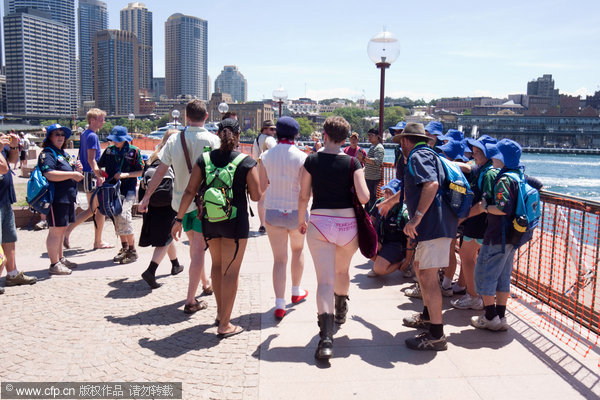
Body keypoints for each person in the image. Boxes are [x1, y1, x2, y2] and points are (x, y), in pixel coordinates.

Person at [172, 118, 261, 338]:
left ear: (218, 134)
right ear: (238, 136)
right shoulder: (246, 161)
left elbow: (189, 191)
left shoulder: (204, 160)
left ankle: (221, 314)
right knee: (231, 270)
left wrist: (178, 219)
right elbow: (257, 196)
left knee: (217, 264)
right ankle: (224, 324)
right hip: (235, 222)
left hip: (210, 220)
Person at [379, 122, 458, 351]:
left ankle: (436, 335)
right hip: (437, 225)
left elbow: (431, 185)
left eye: (399, 141)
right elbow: (411, 189)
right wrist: (391, 202)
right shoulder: (429, 154)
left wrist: (416, 218)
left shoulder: (417, 156)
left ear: (405, 141)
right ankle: (427, 316)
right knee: (421, 268)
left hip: (433, 225)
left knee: (427, 277)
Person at [138, 99, 220, 314]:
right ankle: (191, 300)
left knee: (196, 248)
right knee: (199, 251)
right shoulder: (213, 140)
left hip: (181, 204)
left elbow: (160, 170)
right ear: (206, 117)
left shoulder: (174, 139)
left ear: (186, 117)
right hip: (204, 204)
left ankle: (205, 283)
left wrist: (146, 197)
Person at [298, 116, 369, 360]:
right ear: (344, 138)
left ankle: (326, 339)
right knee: (342, 272)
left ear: (325, 135)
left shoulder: (312, 160)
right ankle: (341, 309)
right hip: (348, 225)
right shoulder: (352, 163)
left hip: (320, 223)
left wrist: (301, 219)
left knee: (324, 281)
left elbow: (303, 195)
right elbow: (364, 197)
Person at [470, 139, 526, 331]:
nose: (492, 157)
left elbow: (502, 208)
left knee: (484, 274)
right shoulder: (518, 175)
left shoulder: (503, 179)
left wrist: (486, 207)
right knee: (503, 276)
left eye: (496, 155)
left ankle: (490, 316)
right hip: (513, 236)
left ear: (502, 158)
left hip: (497, 235)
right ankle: (501, 317)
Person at [258, 116, 309, 319]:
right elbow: (307, 192)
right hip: (296, 212)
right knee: (297, 250)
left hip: (273, 211)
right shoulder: (303, 157)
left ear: (276, 133)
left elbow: (262, 187)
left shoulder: (266, 156)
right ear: (296, 134)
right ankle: (296, 292)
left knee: (279, 259)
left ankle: (279, 303)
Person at [450, 135, 498, 310]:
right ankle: (477, 294)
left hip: (479, 222)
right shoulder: (486, 169)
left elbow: (483, 204)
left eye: (478, 152)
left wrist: (463, 218)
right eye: (474, 151)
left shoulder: (488, 173)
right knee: (472, 258)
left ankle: (473, 296)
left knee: (466, 256)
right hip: (482, 223)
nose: (473, 155)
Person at [138, 129, 184, 289]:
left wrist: (144, 200)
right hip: (169, 202)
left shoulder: (153, 157)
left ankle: (175, 264)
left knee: (167, 234)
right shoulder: (174, 157)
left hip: (152, 202)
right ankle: (151, 270)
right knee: (166, 237)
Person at [38, 124, 84, 275]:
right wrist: (72, 175)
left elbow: (68, 171)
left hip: (67, 197)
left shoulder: (62, 153)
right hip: (56, 198)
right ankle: (54, 264)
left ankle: (60, 258)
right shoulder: (48, 153)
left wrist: (77, 170)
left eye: (62, 134)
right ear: (49, 137)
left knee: (62, 229)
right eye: (56, 134)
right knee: (55, 231)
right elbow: (49, 174)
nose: (60, 137)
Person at [64, 108, 112, 250]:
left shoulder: (85, 134)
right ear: (92, 120)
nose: (103, 122)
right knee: (96, 209)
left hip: (86, 175)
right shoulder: (92, 136)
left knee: (96, 209)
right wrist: (99, 175)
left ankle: (97, 240)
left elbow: (82, 156)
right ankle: (68, 231)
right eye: (101, 119)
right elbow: (92, 160)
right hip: (91, 176)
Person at [97, 126, 144, 264]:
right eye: (113, 140)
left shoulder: (134, 151)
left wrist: (125, 175)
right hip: (112, 189)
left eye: (118, 140)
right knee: (116, 217)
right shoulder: (109, 150)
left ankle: (132, 250)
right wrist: (100, 173)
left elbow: (141, 171)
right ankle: (124, 249)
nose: (115, 142)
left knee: (125, 216)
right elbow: (99, 165)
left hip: (128, 189)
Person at [0, 135, 38, 288]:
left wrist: (14, 147)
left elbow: (12, 162)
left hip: (5, 199)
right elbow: (3, 168)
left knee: (9, 238)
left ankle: (12, 274)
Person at [366, 179, 413, 278]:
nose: (386, 195)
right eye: (386, 191)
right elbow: (371, 221)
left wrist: (408, 260)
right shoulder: (380, 202)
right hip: (383, 241)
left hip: (396, 244)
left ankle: (404, 264)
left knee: (379, 269)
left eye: (390, 193)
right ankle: (380, 261)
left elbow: (410, 240)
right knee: (367, 247)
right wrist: (373, 239)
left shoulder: (403, 212)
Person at [252, 120, 277, 234]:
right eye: (271, 129)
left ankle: (262, 225)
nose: (273, 131)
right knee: (271, 199)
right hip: (269, 172)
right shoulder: (270, 139)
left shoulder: (256, 139)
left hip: (258, 170)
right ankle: (269, 223)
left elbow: (254, 157)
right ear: (265, 129)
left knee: (261, 200)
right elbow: (276, 152)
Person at [362, 128, 385, 212]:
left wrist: (364, 158)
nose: (369, 137)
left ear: (377, 136)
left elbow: (378, 161)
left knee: (372, 198)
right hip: (369, 176)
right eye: (368, 135)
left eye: (371, 135)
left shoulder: (379, 148)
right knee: (368, 198)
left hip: (373, 177)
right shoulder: (373, 147)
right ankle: (368, 215)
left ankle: (371, 216)